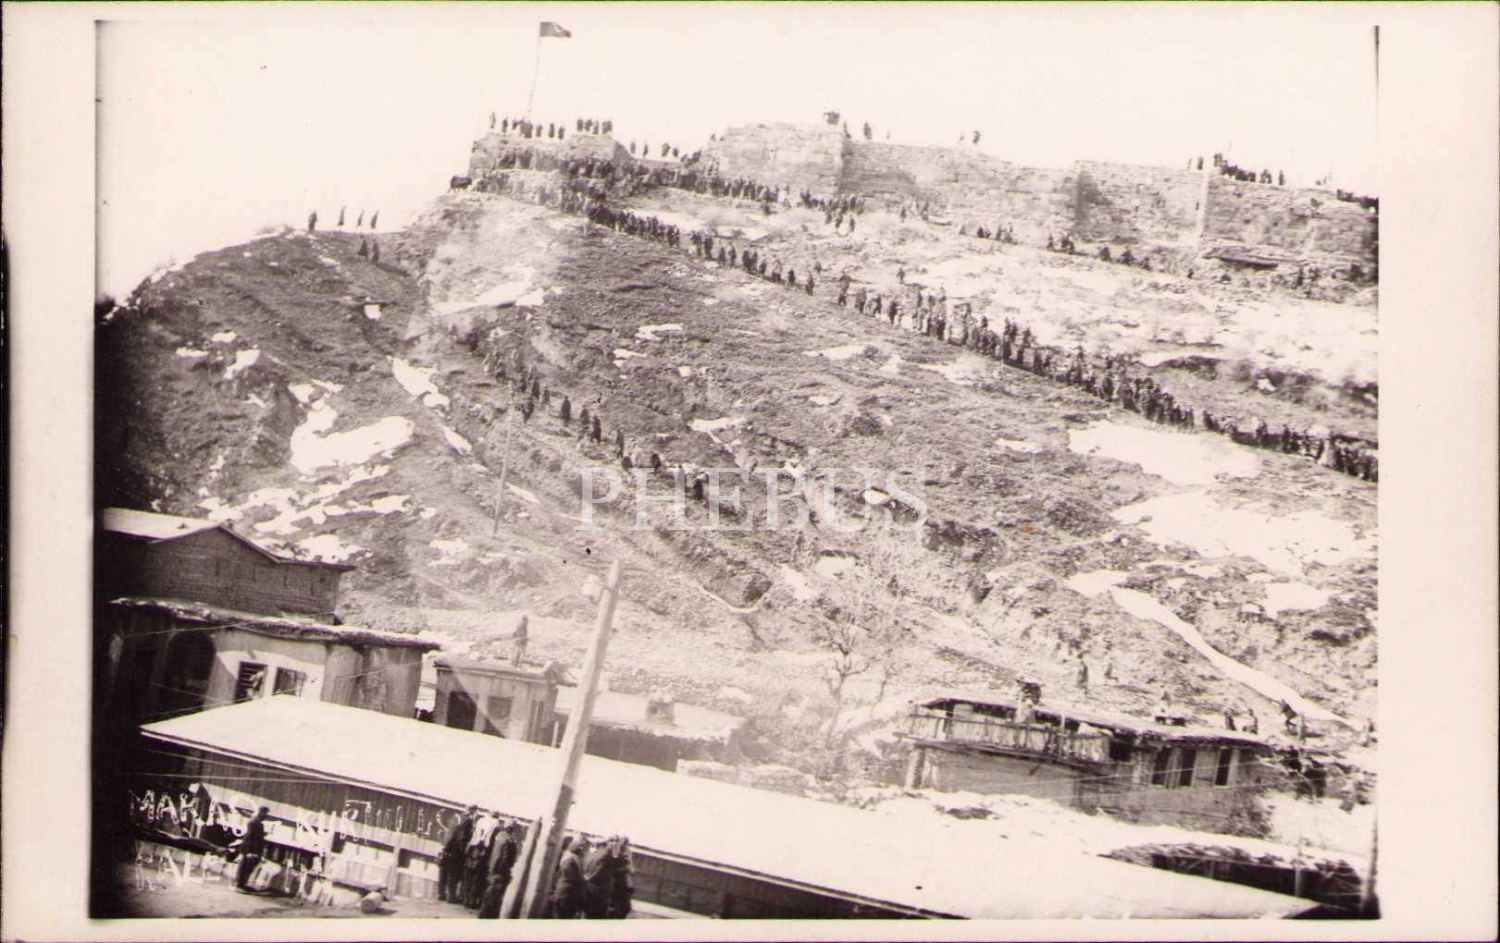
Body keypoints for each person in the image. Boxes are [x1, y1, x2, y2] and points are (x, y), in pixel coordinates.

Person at [478, 821, 520, 919]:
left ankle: (483, 913)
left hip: (492, 866)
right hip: (500, 870)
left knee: (489, 892)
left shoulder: (499, 835)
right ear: (512, 829)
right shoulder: (509, 840)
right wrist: (506, 871)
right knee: (495, 894)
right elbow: (506, 858)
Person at [439, 807, 475, 903]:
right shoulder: (468, 822)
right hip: (457, 852)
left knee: (444, 873)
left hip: (448, 849)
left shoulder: (457, 819)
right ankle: (451, 897)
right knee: (454, 875)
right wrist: (463, 851)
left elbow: (451, 835)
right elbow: (462, 838)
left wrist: (446, 848)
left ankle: (441, 894)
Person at [232, 806, 269, 891]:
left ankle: (240, 884)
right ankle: (240, 884)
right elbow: (252, 837)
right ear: (261, 812)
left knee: (245, 866)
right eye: (266, 813)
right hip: (251, 848)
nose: (266, 816)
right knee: (246, 867)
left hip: (249, 848)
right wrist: (251, 851)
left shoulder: (254, 821)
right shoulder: (256, 823)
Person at [550, 836, 588, 917]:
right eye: (581, 847)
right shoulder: (570, 860)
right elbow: (575, 879)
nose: (583, 850)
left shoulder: (572, 858)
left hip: (567, 895)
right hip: (566, 896)